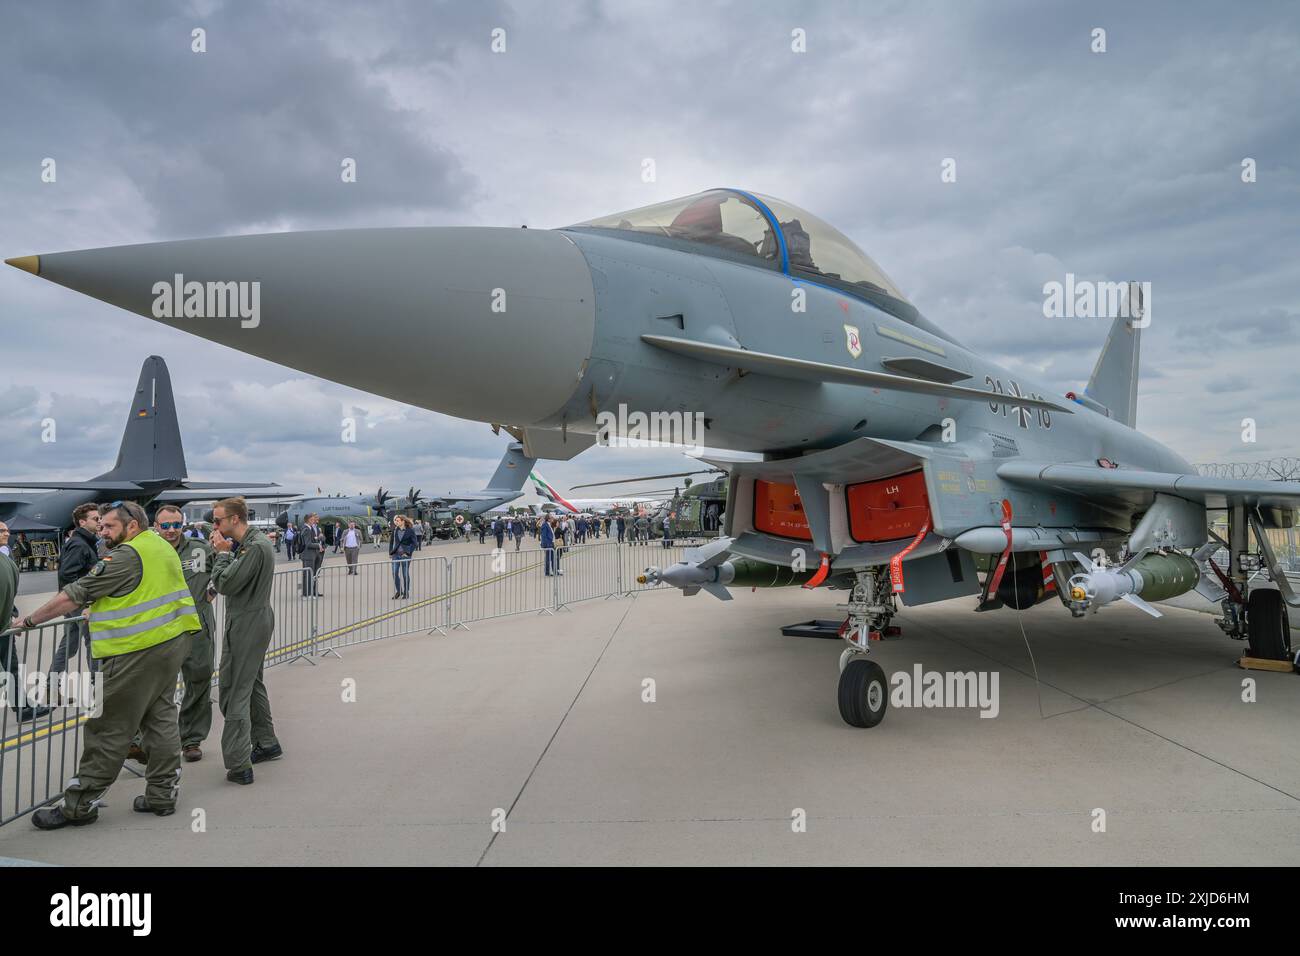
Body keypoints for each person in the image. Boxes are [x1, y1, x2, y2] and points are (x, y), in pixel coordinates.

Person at [21, 501, 201, 828]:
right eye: (100, 526)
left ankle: (80, 804)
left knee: (108, 728)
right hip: (171, 644)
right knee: (160, 718)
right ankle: (162, 795)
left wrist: (30, 621)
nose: (102, 532)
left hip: (136, 651)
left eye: (108, 527)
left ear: (131, 526)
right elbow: (139, 592)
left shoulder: (126, 555)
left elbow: (73, 595)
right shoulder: (159, 545)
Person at [209, 497, 281, 785]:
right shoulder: (254, 544)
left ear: (235, 519)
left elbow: (226, 584)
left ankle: (239, 764)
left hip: (248, 622)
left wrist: (222, 554)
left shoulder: (253, 547)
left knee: (233, 690)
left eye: (218, 521)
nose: (215, 526)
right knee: (251, 685)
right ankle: (266, 741)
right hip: (253, 618)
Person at [155, 506, 217, 762]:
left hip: (196, 627)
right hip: (161, 628)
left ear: (183, 524)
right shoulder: (149, 552)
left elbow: (224, 569)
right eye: (165, 525)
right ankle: (155, 742)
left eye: (176, 525)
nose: (171, 530)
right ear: (156, 526)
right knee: (155, 687)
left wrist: (213, 592)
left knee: (199, 680)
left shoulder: (200, 549)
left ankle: (191, 739)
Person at [0, 522, 50, 722]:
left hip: (4, 626)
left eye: (6, 530)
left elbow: (8, 593)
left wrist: (10, 616)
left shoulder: (6, 557)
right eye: (2, 531)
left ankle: (23, 708)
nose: (7, 533)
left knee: (10, 668)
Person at [50, 503, 102, 689]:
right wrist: (84, 601)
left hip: (74, 602)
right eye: (96, 519)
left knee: (70, 645)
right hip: (79, 602)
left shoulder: (85, 542)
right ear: (82, 522)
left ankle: (51, 686)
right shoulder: (79, 544)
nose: (99, 522)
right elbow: (67, 575)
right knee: (93, 643)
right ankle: (98, 686)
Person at [389, 515, 415, 599]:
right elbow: (391, 542)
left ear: (403, 521)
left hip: (405, 555)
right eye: (395, 520)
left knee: (405, 574)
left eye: (398, 520)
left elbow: (415, 543)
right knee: (394, 573)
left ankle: (406, 592)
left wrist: (408, 553)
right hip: (396, 555)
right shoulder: (395, 530)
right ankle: (399, 591)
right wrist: (390, 553)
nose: (396, 522)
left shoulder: (410, 530)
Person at [299, 513, 324, 598]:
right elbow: (308, 544)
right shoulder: (306, 529)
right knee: (308, 574)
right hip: (308, 555)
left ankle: (308, 593)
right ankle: (308, 594)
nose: (314, 521)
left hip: (311, 554)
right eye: (313, 519)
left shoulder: (309, 528)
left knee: (310, 574)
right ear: (309, 519)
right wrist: (318, 545)